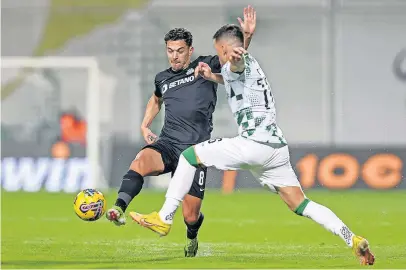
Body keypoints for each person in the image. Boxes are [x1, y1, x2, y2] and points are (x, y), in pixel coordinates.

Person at [129, 24, 375, 266]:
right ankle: (352, 238)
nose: (220, 56)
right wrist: (211, 74)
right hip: (276, 149)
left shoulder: (238, 61)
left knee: (189, 156)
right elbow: (232, 75)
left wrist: (241, 46)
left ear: (226, 49)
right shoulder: (246, 68)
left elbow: (236, 62)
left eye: (220, 50)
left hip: (253, 144)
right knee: (301, 203)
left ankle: (164, 217)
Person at [106, 6, 257, 258]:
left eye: (179, 51)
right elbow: (156, 100)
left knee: (190, 214)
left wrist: (247, 36)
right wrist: (144, 125)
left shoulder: (206, 65)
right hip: (168, 144)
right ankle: (118, 208)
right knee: (140, 161)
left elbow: (236, 58)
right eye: (170, 51)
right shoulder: (162, 78)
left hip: (195, 152)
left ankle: (192, 237)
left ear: (190, 50)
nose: (174, 56)